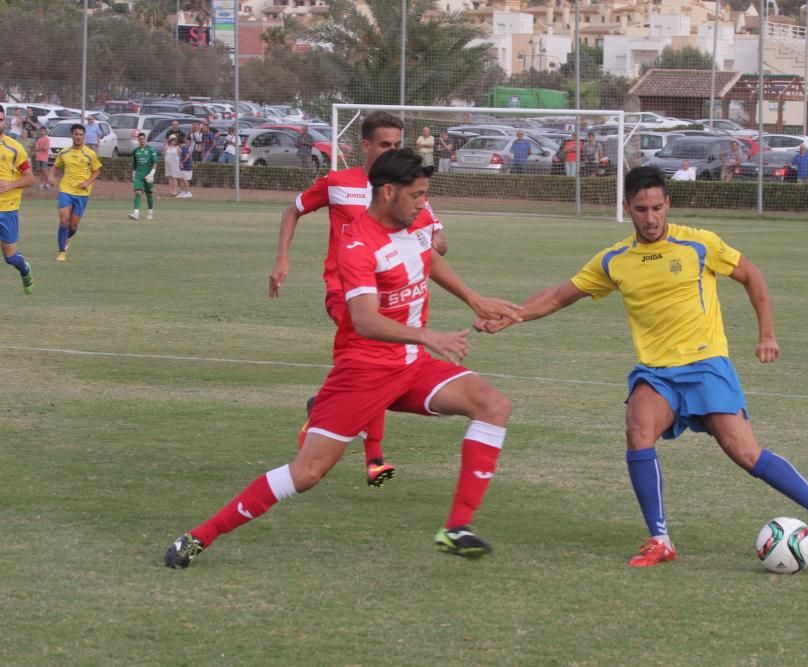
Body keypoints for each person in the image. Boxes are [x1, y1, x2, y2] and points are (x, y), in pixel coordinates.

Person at [475, 166, 808, 570]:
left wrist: (767, 334)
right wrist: (514, 316)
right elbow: (559, 296)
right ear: (627, 208)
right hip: (657, 373)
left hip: (705, 364)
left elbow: (752, 276)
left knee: (746, 453)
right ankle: (659, 539)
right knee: (637, 429)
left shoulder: (698, 244)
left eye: (657, 207)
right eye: (641, 209)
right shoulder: (615, 260)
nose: (650, 217)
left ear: (668, 205)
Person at [164, 148, 524, 569]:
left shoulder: (414, 225)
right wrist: (427, 334)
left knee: (492, 405)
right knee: (307, 474)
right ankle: (197, 538)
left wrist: (475, 300)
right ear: (389, 192)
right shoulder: (356, 243)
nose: (425, 204)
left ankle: (456, 528)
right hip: (364, 372)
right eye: (418, 195)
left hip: (410, 365)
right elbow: (365, 320)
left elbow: (428, 259)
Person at [269, 111, 448, 487]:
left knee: (378, 367)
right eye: (385, 145)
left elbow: (438, 244)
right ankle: (375, 457)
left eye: (398, 145)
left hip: (391, 295)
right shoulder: (338, 183)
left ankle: (332, 413)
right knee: (377, 359)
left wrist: (432, 236)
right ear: (364, 146)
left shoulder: (404, 189)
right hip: (345, 294)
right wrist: (282, 259)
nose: (391, 151)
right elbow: (292, 210)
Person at [49, 123, 102, 262]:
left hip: (82, 193)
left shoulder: (90, 154)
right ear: (71, 135)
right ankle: (61, 252)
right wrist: (51, 176)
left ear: (84, 136)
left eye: (81, 134)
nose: (78, 137)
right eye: (76, 134)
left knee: (73, 226)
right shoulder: (64, 153)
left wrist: (88, 182)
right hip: (66, 190)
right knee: (64, 220)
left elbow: (97, 171)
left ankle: (66, 238)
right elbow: (55, 167)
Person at [0, 107, 37, 294]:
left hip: (7, 209)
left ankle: (24, 269)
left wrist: (10, 185)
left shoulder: (14, 148)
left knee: (10, 257)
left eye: (0, 119)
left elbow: (30, 179)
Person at [128, 132, 157, 220]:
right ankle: (136, 213)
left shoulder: (151, 150)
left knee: (149, 194)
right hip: (139, 175)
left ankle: (150, 212)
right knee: (138, 192)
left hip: (148, 175)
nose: (142, 141)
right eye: (140, 139)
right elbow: (134, 164)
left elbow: (155, 162)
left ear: (146, 139)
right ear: (138, 140)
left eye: (143, 139)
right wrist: (133, 174)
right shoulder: (136, 151)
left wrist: (152, 173)